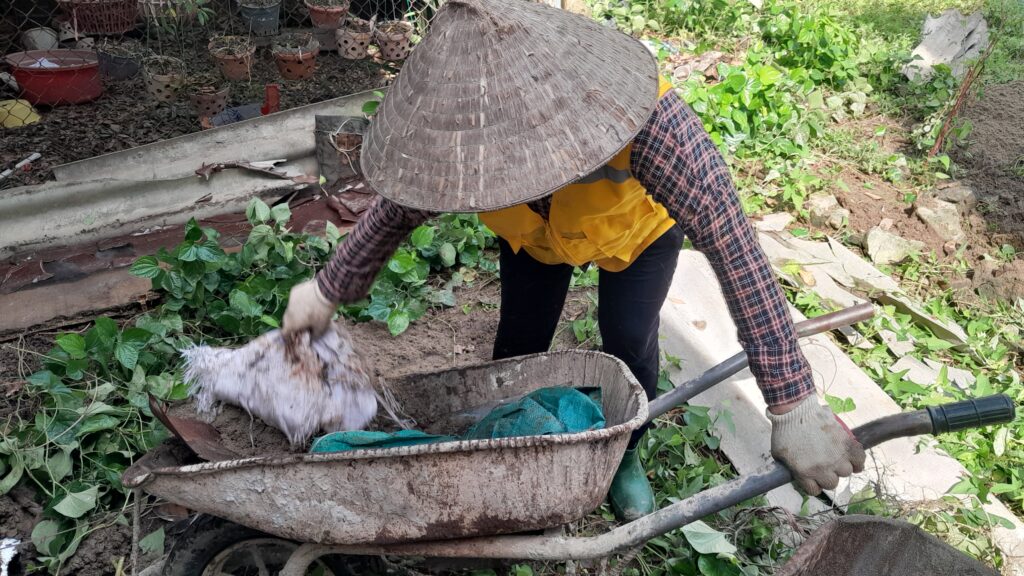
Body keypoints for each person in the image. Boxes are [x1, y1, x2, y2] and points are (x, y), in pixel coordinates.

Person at [283, 0, 865, 521]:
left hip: (632, 234)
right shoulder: (455, 133)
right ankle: (512, 443)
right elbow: (394, 214)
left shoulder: (651, 119)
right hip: (534, 239)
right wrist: (327, 290)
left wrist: (791, 400)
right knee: (519, 343)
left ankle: (624, 453)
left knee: (628, 339)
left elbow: (733, 243)